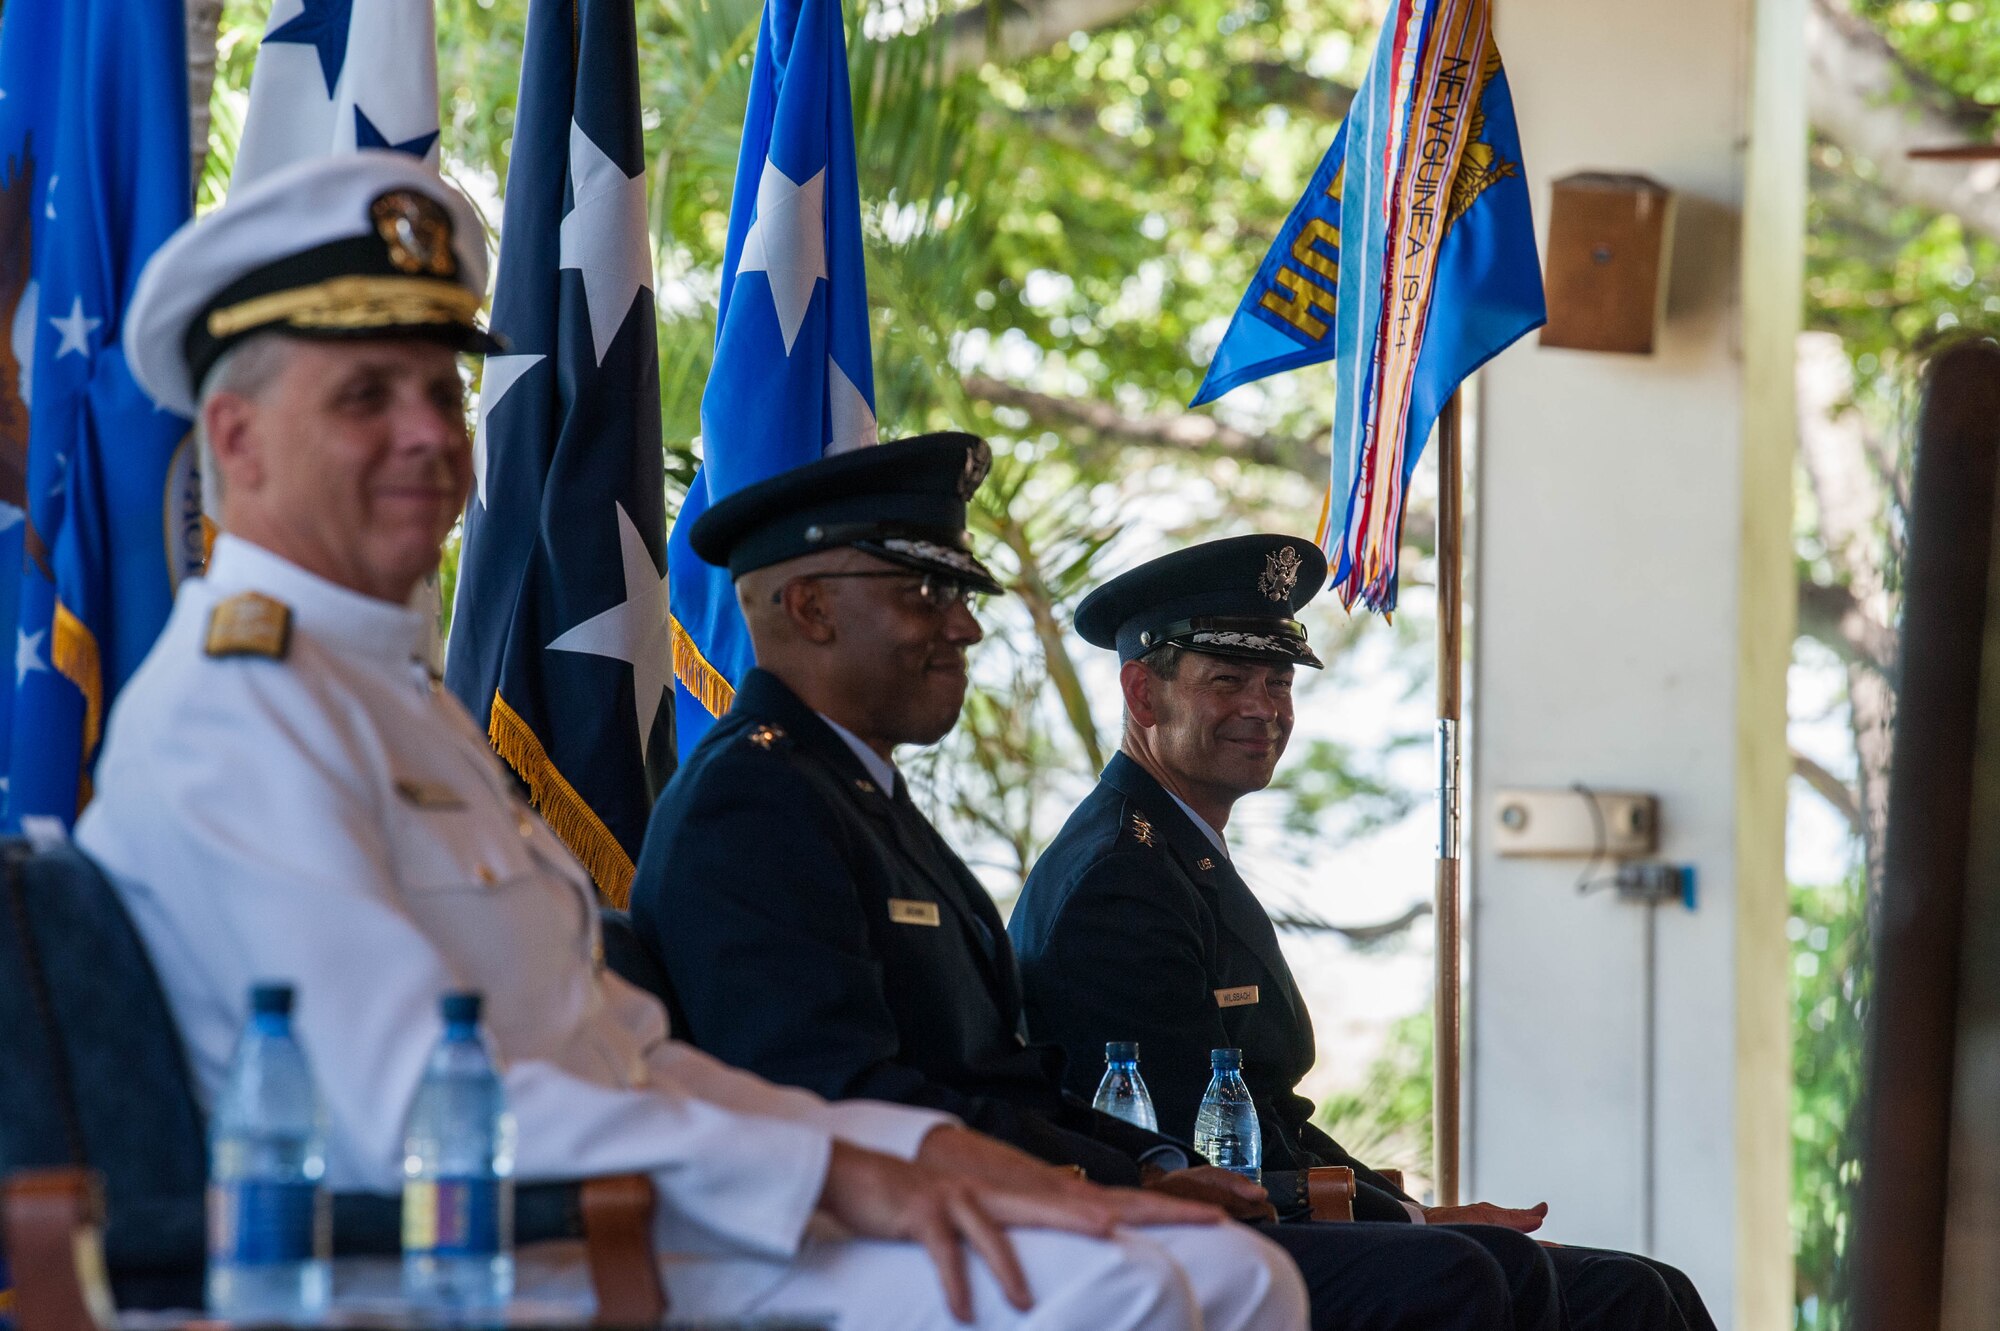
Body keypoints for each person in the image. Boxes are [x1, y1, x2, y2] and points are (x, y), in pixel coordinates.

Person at [75, 150, 1311, 1331]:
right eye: (364, 397)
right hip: (473, 1265)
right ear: (234, 439)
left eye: (441, 392)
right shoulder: (233, 715)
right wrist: (830, 1171)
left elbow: (626, 1048)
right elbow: (424, 1106)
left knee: (1230, 1273)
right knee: (1140, 1292)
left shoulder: (389, 701)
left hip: (634, 1214)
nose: (429, 433)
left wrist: (912, 1149)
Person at [627, 443, 1575, 1331]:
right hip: (864, 1230)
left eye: (960, 596)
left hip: (973, 1202)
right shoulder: (753, 801)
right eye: (925, 593)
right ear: (810, 609)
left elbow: (1012, 1079)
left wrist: (1154, 1165)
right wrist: (1103, 1184)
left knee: (1530, 1274)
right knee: (1449, 1276)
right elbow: (844, 1095)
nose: (964, 624)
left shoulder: (855, 796)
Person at [1008, 534, 1719, 1331]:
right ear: (1144, 693)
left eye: (1279, 682)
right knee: (1486, 1271)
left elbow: (1272, 1112)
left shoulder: (1174, 851)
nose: (1264, 708)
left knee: (1650, 1292)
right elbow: (1197, 1147)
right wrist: (1412, 1223)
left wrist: (1415, 1208)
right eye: (1228, 680)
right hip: (1178, 1236)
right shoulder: (1119, 876)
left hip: (1272, 1209)